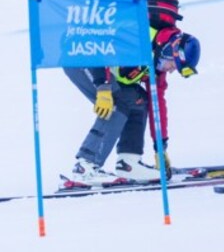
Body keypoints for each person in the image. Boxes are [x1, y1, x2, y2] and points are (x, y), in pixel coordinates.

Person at [64, 27, 200, 186]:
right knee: (116, 103)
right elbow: (99, 45)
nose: (170, 70)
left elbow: (157, 103)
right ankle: (84, 167)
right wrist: (103, 86)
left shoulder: (155, 66)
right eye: (173, 65)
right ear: (169, 51)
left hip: (102, 70)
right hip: (82, 56)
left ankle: (128, 163)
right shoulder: (136, 36)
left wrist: (160, 147)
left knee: (139, 100)